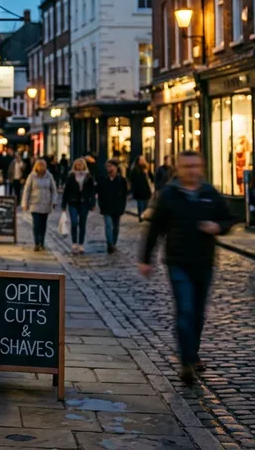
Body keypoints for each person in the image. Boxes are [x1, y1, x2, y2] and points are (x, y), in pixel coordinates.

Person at [139, 150, 234, 385]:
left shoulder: (210, 193)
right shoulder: (169, 195)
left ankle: (192, 352)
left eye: (195, 166)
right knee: (185, 310)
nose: (191, 170)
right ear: (179, 169)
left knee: (199, 314)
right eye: (186, 166)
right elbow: (155, 228)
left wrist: (218, 227)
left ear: (201, 167)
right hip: (177, 261)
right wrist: (145, 258)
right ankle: (186, 362)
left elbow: (229, 218)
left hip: (204, 261)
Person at [21, 159, 58, 251]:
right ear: (36, 166)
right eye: (39, 165)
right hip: (35, 203)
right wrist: (25, 203)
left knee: (43, 224)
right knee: (36, 224)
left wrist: (54, 201)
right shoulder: (32, 176)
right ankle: (37, 243)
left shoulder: (49, 176)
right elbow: (27, 190)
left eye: (43, 165)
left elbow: (53, 190)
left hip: (45, 203)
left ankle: (42, 242)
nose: (41, 167)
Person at [61, 157, 96, 253]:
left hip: (84, 203)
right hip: (73, 202)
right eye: (77, 165)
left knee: (82, 223)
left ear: (84, 166)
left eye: (81, 165)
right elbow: (66, 191)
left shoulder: (88, 177)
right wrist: (63, 204)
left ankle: (81, 244)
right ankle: (74, 243)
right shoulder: (70, 176)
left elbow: (92, 191)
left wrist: (93, 203)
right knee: (74, 222)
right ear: (75, 166)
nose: (79, 167)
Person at [97, 158, 128, 253]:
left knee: (116, 227)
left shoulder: (121, 180)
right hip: (106, 206)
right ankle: (110, 244)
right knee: (108, 225)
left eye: (110, 166)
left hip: (117, 207)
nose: (108, 168)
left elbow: (124, 195)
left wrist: (123, 207)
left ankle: (113, 243)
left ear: (115, 167)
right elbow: (100, 193)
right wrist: (100, 205)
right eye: (107, 166)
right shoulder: (103, 179)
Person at [129, 155, 153, 221]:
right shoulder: (135, 170)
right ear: (138, 161)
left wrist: (147, 174)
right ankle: (141, 216)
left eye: (143, 160)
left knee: (146, 204)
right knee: (140, 205)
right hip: (139, 190)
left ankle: (143, 216)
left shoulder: (147, 168)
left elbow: (151, 177)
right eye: (141, 160)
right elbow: (133, 179)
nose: (142, 161)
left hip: (146, 190)